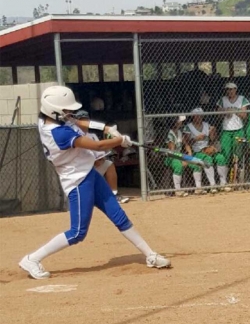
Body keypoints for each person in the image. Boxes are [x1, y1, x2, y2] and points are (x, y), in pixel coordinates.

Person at [19, 86, 171, 280]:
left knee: (119, 216)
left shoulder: (49, 118)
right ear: (54, 111)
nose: (70, 113)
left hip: (89, 173)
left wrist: (107, 129)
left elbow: (80, 122)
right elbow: (97, 145)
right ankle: (32, 258)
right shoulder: (58, 133)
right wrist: (119, 141)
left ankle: (150, 254)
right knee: (77, 233)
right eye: (66, 110)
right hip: (77, 181)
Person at [75, 110, 129, 204]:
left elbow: (100, 155)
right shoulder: (75, 136)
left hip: (93, 166)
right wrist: (119, 140)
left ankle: (114, 194)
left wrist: (116, 142)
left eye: (86, 119)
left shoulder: (92, 135)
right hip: (81, 170)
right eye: (81, 120)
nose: (84, 123)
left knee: (108, 164)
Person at [184, 108, 230, 194]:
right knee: (207, 160)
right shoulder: (188, 127)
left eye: (200, 115)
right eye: (197, 116)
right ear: (193, 116)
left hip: (207, 148)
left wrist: (213, 132)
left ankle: (223, 183)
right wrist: (196, 139)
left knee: (221, 158)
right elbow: (186, 142)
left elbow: (213, 139)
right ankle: (213, 185)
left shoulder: (206, 125)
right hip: (196, 151)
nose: (199, 117)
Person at [216, 82, 250, 184]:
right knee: (225, 154)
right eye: (227, 89)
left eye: (231, 89)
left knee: (238, 155)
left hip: (238, 129)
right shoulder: (223, 100)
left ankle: (237, 179)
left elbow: (244, 115)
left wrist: (234, 111)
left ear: (235, 89)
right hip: (226, 130)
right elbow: (218, 115)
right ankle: (223, 181)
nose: (229, 91)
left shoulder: (241, 99)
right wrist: (225, 112)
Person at [165, 115, 193, 197]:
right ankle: (177, 190)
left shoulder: (179, 132)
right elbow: (172, 151)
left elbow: (186, 144)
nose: (181, 122)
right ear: (175, 123)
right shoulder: (170, 134)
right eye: (179, 121)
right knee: (178, 166)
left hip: (179, 155)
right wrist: (182, 160)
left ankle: (198, 188)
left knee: (195, 163)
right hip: (171, 157)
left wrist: (189, 153)